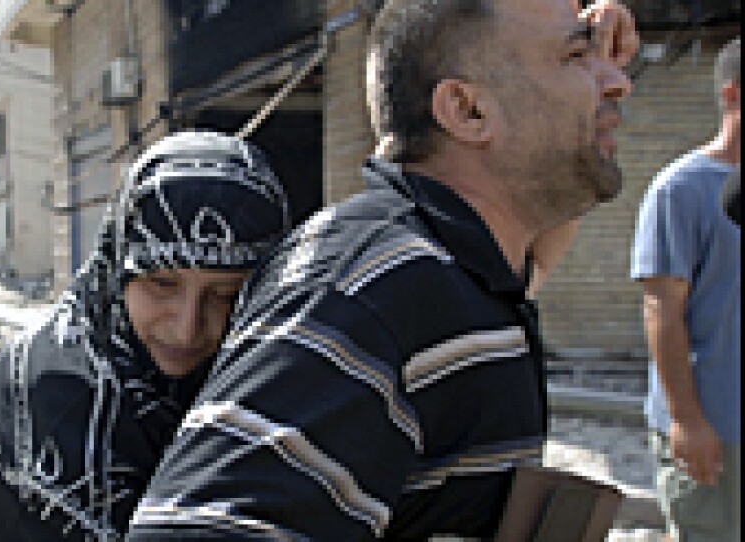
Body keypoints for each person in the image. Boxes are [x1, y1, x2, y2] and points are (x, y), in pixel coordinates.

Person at [126, 1, 636, 539]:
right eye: (575, 57)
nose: (619, 83)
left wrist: (591, 67)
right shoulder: (367, 287)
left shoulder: (462, 271)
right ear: (467, 110)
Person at [0, 130, 292, 541]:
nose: (187, 327)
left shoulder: (279, 383)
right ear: (116, 269)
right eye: (162, 283)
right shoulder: (38, 405)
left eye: (225, 295)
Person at [631, 37, 740, 542]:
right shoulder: (681, 190)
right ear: (733, 95)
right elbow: (662, 310)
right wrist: (687, 420)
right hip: (718, 430)